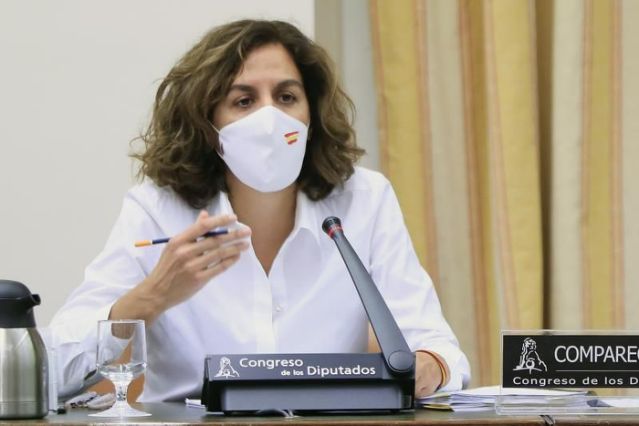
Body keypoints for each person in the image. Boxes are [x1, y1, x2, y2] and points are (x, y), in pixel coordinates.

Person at [50, 19, 470, 402]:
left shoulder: (364, 198)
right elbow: (53, 368)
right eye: (244, 101)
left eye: (287, 97)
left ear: (312, 114)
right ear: (209, 127)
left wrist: (428, 367)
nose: (271, 118)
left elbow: (438, 348)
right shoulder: (157, 207)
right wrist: (153, 296)